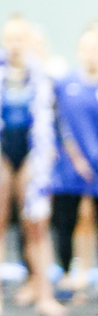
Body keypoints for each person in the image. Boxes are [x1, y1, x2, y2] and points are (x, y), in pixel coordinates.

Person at [0, 15, 64, 316]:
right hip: (0, 153)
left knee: (37, 226)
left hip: (31, 151)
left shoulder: (42, 79)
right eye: (10, 39)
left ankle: (44, 294)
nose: (15, 45)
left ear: (28, 42)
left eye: (20, 38)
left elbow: (54, 123)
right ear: (3, 43)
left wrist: (49, 154)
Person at [50, 28, 98, 287]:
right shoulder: (64, 84)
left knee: (90, 221)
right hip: (69, 168)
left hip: (96, 165)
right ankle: (67, 272)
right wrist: (75, 157)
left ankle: (86, 271)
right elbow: (59, 124)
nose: (92, 54)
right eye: (87, 48)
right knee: (67, 221)